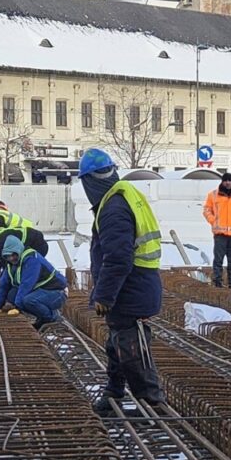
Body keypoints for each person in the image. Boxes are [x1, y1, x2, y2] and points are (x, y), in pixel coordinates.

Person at [78, 149, 166, 414]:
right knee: (118, 340)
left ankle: (152, 402)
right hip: (137, 283)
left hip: (131, 286)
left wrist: (105, 296)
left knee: (131, 346)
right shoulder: (123, 195)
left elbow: (118, 258)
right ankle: (114, 391)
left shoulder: (113, 208)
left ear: (89, 182)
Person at [0, 235, 67, 329]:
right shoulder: (12, 264)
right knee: (12, 294)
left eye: (13, 255)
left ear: (19, 250)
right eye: (8, 256)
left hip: (56, 292)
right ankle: (41, 315)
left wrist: (17, 307)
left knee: (28, 300)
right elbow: (3, 284)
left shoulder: (31, 259)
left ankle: (52, 317)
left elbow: (26, 284)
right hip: (41, 290)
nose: (11, 258)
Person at [0, 205, 50, 280]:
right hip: (25, 236)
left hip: (31, 241)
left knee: (27, 270)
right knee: (21, 269)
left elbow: (3, 260)